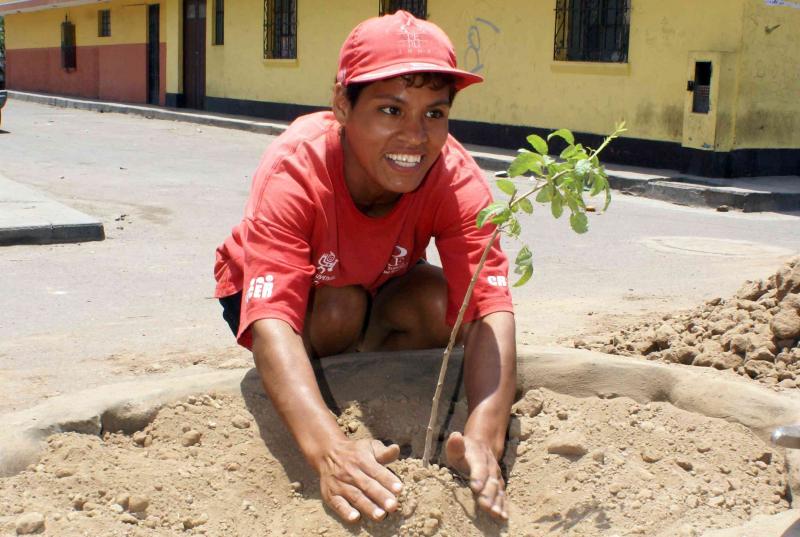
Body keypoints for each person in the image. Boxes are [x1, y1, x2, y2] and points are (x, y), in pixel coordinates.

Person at [214, 10, 516, 524]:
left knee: (440, 305)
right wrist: (331, 452)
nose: (415, 137)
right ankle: (322, 389)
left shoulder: (454, 176)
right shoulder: (297, 167)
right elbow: (272, 321)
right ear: (341, 103)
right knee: (338, 308)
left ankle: (353, 372)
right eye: (390, 110)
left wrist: (487, 431)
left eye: (434, 114)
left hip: (382, 278)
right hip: (283, 297)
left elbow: (488, 308)